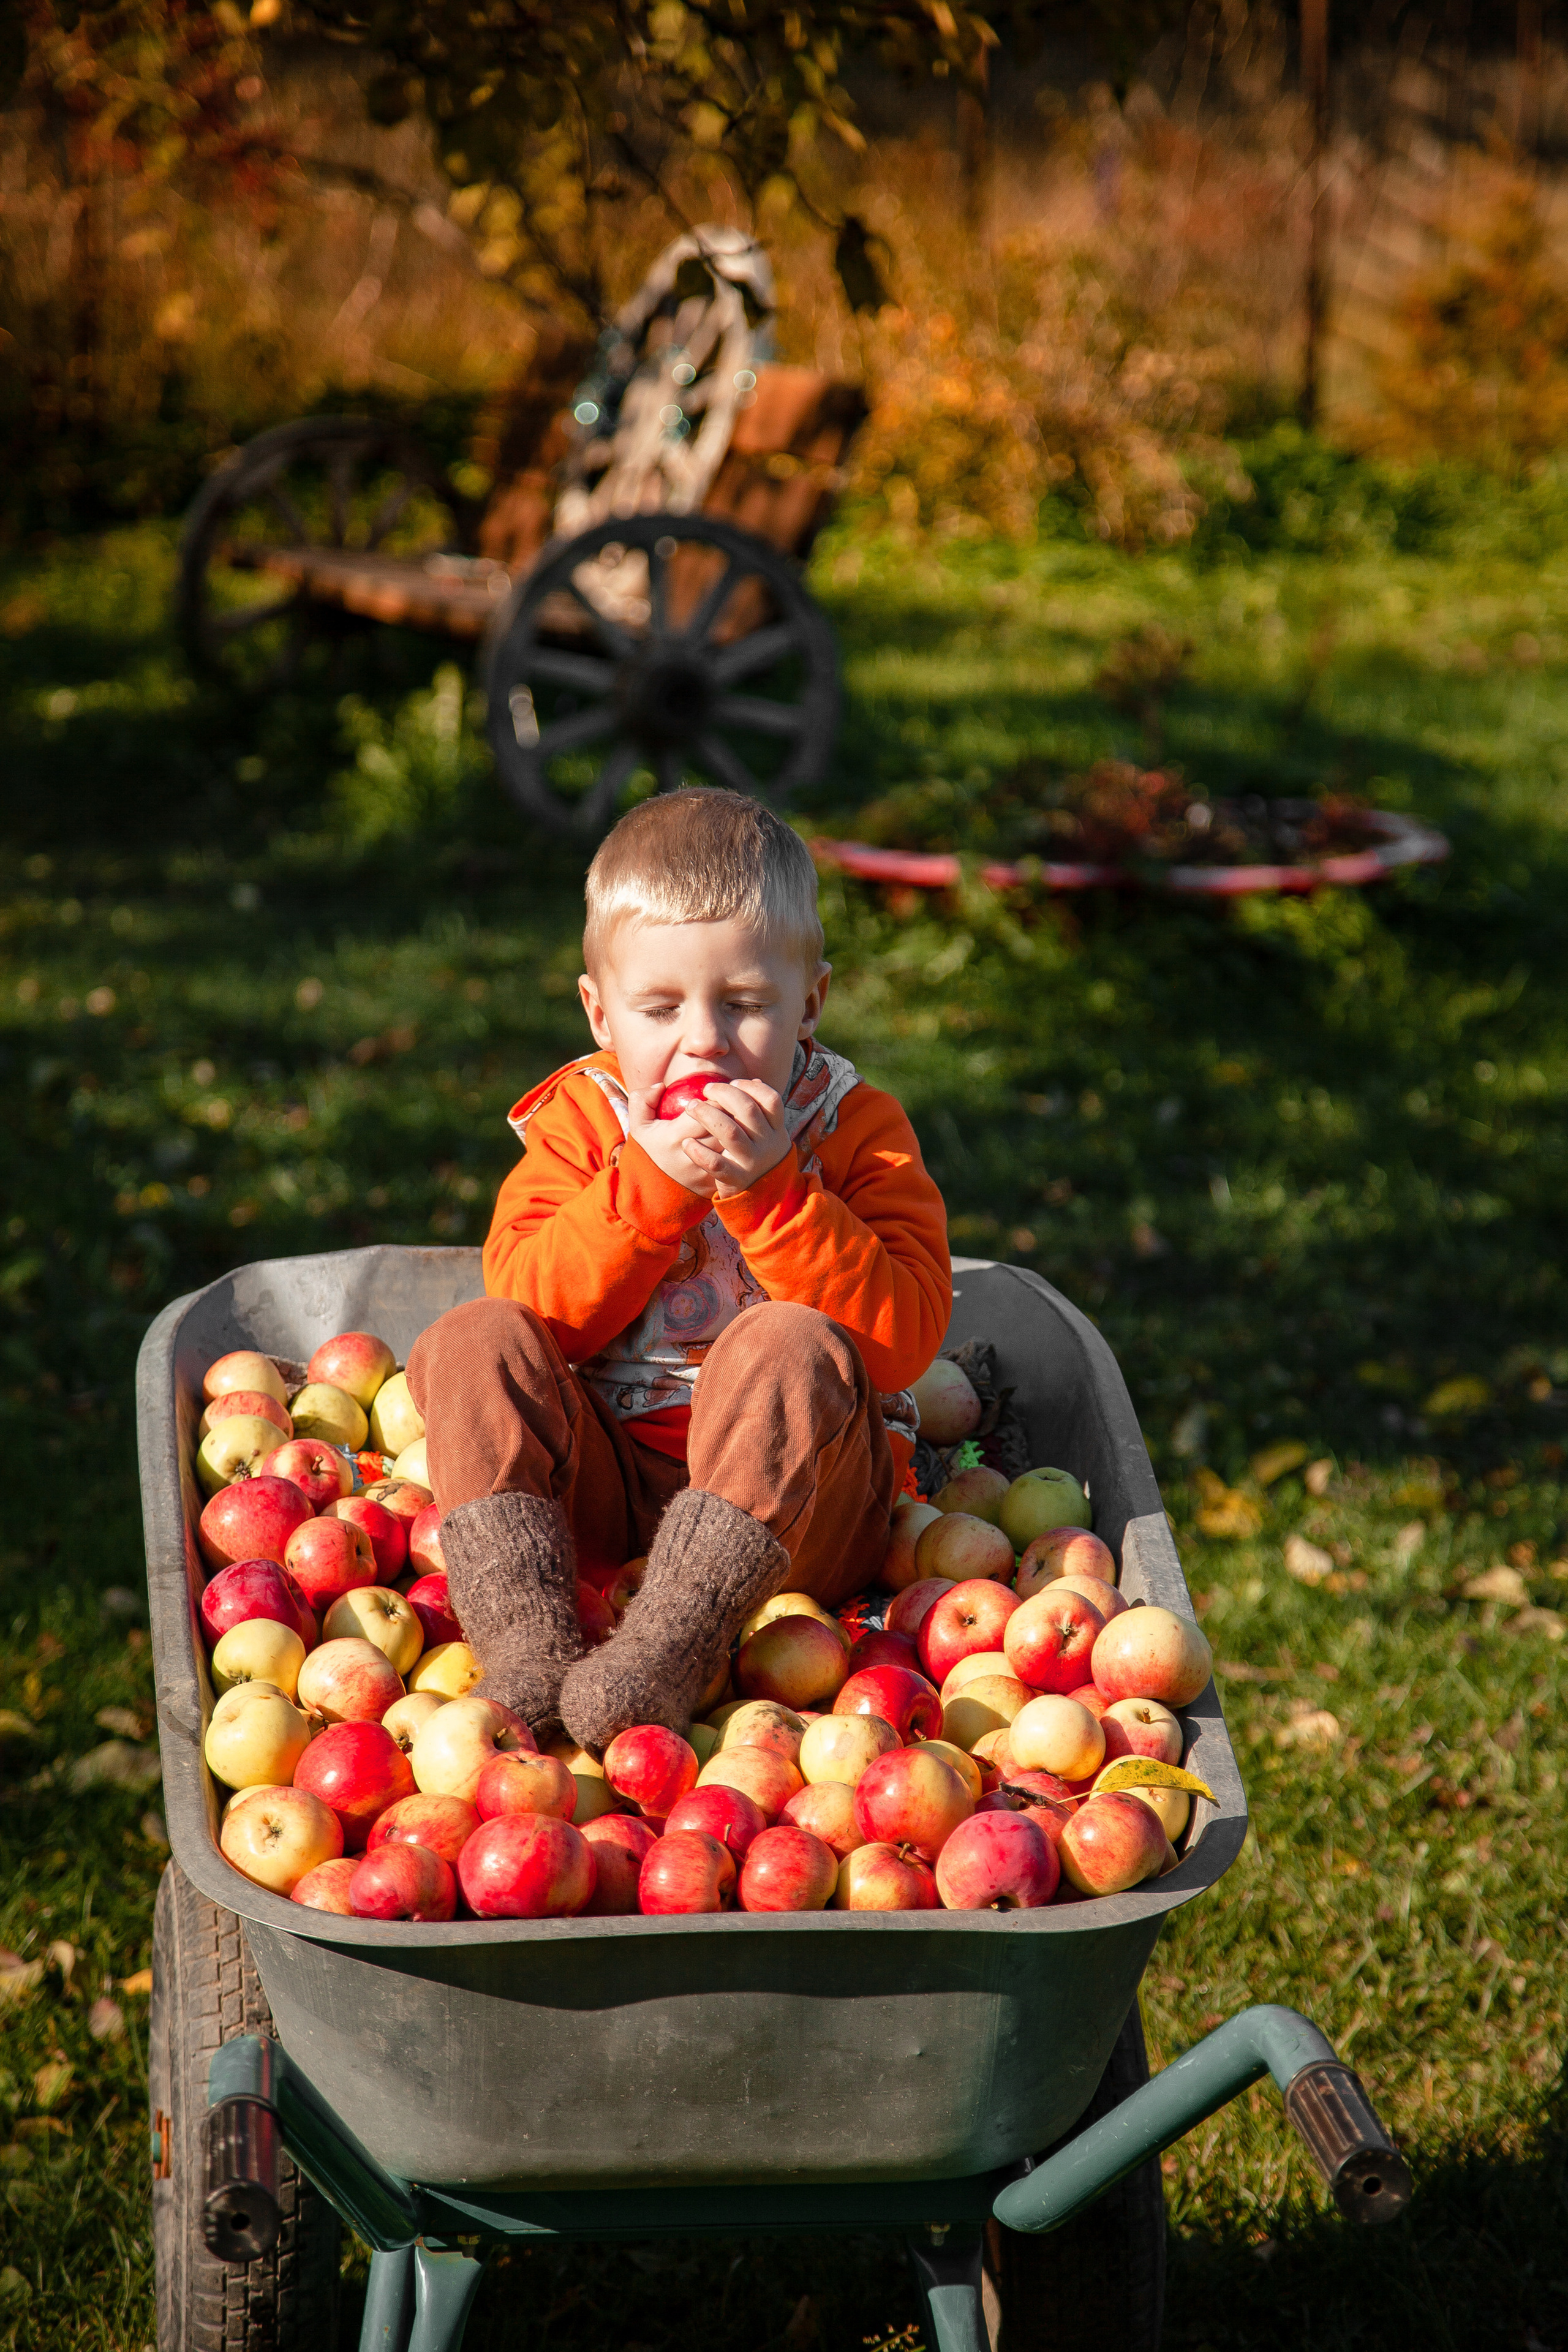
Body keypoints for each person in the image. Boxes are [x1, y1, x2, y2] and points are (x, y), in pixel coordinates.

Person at [405, 788, 951, 1754]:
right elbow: (538, 1313)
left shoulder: (855, 1130)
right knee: (471, 1338)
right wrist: (648, 1186)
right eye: (659, 1008)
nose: (702, 1040)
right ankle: (530, 1645)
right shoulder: (585, 1123)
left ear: (810, 1003)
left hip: (802, 1520)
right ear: (599, 1013)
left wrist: (778, 1198)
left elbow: (904, 1344)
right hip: (609, 1481)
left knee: (784, 1340)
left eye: (744, 1005)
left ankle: (676, 1652)